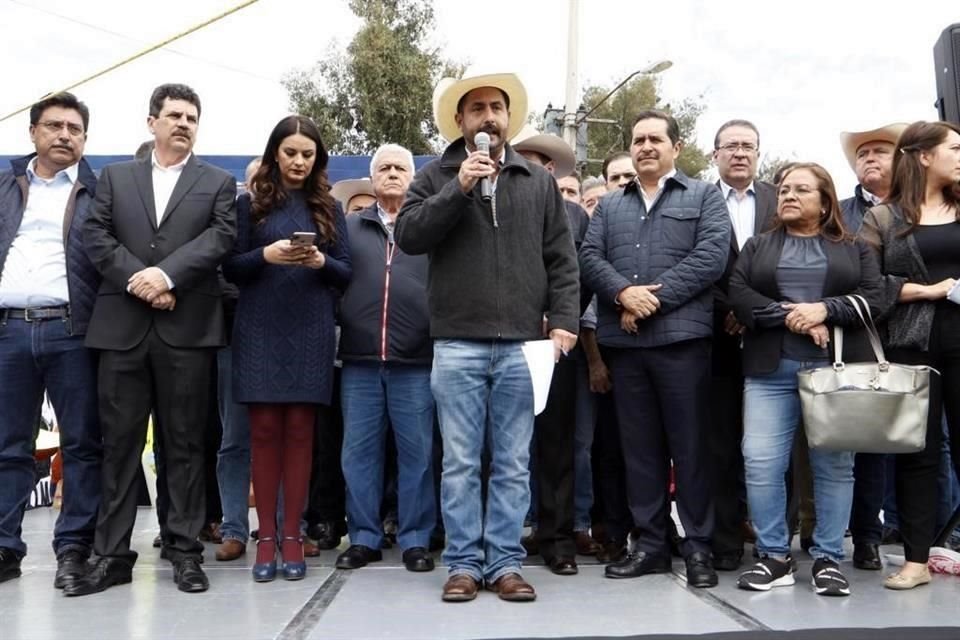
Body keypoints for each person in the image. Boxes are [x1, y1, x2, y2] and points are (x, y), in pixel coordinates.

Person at [395, 72, 580, 602]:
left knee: (514, 462)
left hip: (524, 344)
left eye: (496, 107)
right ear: (461, 121)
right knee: (459, 462)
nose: (488, 117)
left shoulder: (536, 180)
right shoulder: (434, 176)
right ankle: (462, 564)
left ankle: (504, 562)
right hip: (457, 342)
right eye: (476, 109)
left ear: (507, 118)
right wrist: (459, 188)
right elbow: (410, 236)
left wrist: (563, 319)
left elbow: (561, 259)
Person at [67, 83, 237, 597]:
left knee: (183, 446)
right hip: (121, 333)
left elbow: (221, 237)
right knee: (117, 447)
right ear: (152, 122)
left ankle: (184, 552)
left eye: (192, 117)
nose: (183, 123)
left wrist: (164, 277)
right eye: (174, 115)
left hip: (187, 331)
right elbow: (95, 236)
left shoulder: (219, 182)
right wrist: (140, 279)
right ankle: (112, 554)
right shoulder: (117, 178)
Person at [579, 109, 730, 589]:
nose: (645, 146)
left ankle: (699, 548)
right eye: (638, 139)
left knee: (690, 451)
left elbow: (710, 258)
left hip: (681, 344)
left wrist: (649, 301)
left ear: (676, 147)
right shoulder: (609, 206)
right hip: (626, 347)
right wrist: (623, 294)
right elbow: (589, 258)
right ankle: (651, 547)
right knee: (639, 452)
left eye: (655, 139)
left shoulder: (704, 196)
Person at [729, 162, 884, 596]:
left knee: (834, 467)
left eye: (801, 190)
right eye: (783, 190)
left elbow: (874, 299)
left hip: (834, 373)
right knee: (760, 463)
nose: (788, 196)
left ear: (824, 200)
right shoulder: (757, 246)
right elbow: (740, 297)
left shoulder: (854, 248)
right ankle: (774, 556)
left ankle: (829, 560)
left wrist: (825, 311)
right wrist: (795, 317)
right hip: (768, 372)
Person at [224, 115, 351, 582]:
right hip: (259, 326)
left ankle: (293, 536)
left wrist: (319, 260)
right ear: (275, 152)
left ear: (317, 159)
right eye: (291, 152)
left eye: (308, 154)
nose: (298, 161)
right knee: (262, 435)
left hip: (311, 328)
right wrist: (266, 255)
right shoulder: (249, 205)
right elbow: (231, 267)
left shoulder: (329, 207)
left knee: (301, 433)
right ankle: (267, 539)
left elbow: (345, 272)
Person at [0, 92, 102, 588]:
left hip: (74, 330)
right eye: (55, 126)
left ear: (85, 138)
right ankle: (3, 547)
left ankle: (74, 549)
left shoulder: (99, 192)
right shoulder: (4, 186)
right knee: (7, 446)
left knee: (82, 444)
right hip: (7, 330)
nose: (65, 135)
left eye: (75, 128)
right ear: (33, 132)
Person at [858, 120, 960, 590]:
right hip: (910, 346)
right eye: (954, 148)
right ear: (923, 156)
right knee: (917, 453)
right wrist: (927, 290)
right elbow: (865, 285)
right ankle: (916, 561)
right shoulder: (883, 218)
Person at [336, 143, 436, 573]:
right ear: (372, 178)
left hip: (416, 359)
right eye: (384, 168)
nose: (392, 174)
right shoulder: (349, 227)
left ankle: (415, 539)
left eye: (400, 168)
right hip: (359, 359)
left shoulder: (429, 229)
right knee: (358, 454)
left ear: (413, 176)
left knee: (418, 454)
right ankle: (363, 538)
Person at [511, 125, 591, 571]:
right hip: (502, 341)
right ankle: (505, 536)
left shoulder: (575, 216)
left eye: (540, 163)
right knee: (503, 447)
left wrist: (562, 320)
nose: (533, 169)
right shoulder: (491, 209)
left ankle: (556, 538)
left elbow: (579, 276)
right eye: (523, 160)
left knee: (557, 445)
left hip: (555, 346)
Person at [837, 123, 908, 571]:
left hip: (912, 338)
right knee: (859, 442)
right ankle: (864, 537)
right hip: (854, 340)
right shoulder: (838, 213)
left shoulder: (918, 210)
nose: (870, 159)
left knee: (922, 443)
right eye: (862, 154)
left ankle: (930, 534)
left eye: (880, 151)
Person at [709, 119, 778, 571]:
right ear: (714, 154)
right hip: (713, 336)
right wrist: (728, 312)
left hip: (774, 337)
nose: (739, 153)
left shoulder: (779, 198)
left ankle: (776, 541)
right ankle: (726, 539)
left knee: (772, 445)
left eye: (747, 146)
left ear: (758, 153)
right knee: (719, 444)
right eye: (730, 146)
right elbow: (689, 261)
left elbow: (798, 261)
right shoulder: (695, 198)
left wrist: (754, 313)